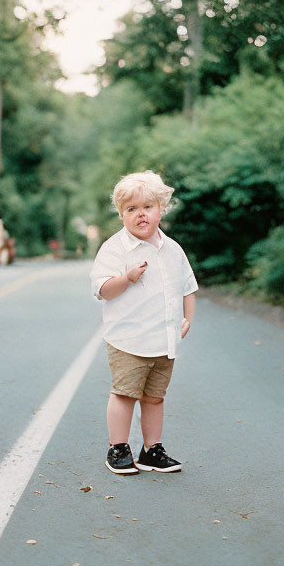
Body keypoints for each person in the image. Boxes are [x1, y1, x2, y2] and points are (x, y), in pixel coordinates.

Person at [90, 171, 198, 475]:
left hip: (164, 340)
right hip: (128, 340)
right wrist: (127, 278)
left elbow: (187, 287)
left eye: (147, 207)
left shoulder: (173, 249)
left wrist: (187, 318)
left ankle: (152, 449)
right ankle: (118, 448)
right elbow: (103, 290)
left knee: (154, 397)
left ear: (161, 209)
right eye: (131, 209)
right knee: (125, 393)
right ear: (122, 215)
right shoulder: (115, 249)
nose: (141, 215)